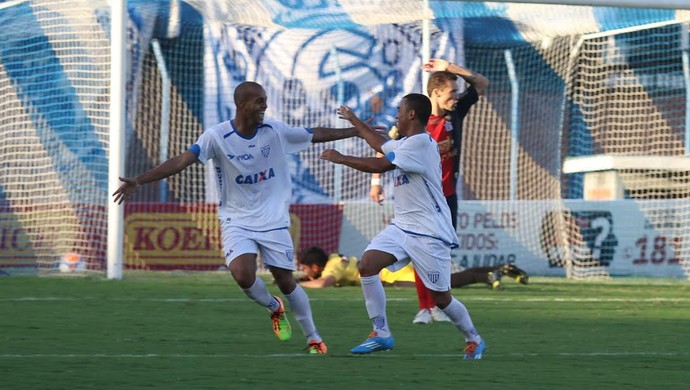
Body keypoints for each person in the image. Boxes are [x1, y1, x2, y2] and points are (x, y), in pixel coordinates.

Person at [112, 81, 375, 355]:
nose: (265, 106)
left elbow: (314, 133)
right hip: (236, 219)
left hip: (273, 219)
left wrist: (355, 130)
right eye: (259, 101)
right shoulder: (217, 136)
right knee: (242, 274)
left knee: (286, 280)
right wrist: (139, 180)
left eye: (265, 100)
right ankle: (274, 307)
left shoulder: (275, 131)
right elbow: (181, 160)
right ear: (242, 105)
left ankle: (313, 337)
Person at [320, 93, 486, 359]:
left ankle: (474, 338)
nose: (396, 113)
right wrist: (354, 120)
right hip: (402, 227)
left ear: (411, 114)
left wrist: (342, 158)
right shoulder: (407, 142)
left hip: (429, 232)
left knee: (442, 299)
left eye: (400, 109)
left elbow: (382, 163)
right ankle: (381, 333)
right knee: (367, 265)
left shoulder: (421, 143)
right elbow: (382, 143)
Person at [370, 58, 492, 325]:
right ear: (435, 93)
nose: (456, 97)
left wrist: (451, 69)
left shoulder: (455, 113)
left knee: (440, 254)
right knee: (417, 250)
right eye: (451, 91)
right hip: (418, 199)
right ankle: (425, 307)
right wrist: (376, 182)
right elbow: (384, 147)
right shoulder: (412, 125)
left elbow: (482, 83)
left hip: (447, 197)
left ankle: (436, 304)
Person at [297, 246, 528, 300]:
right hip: (396, 272)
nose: (307, 274)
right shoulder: (337, 259)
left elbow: (324, 284)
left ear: (316, 267)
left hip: (394, 277)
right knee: (447, 280)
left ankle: (488, 277)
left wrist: (297, 284)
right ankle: (501, 269)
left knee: (447, 283)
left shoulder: (332, 267)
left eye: (306, 270)